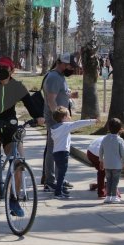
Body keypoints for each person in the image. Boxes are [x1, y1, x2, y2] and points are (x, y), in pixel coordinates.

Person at [0, 56, 44, 216]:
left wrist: (38, 117)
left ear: (12, 70)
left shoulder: (18, 87)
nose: (0, 70)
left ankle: (14, 199)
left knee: (19, 162)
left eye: (4, 68)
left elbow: (30, 105)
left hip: (9, 128)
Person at [42, 52, 79, 192]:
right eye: (70, 66)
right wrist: (58, 118)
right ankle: (50, 181)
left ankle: (59, 178)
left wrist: (70, 95)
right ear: (63, 64)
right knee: (53, 150)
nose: (72, 69)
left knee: (58, 149)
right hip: (55, 120)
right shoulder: (54, 77)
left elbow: (59, 93)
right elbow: (51, 100)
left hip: (59, 120)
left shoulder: (59, 77)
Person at [50, 106, 98, 199]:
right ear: (63, 117)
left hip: (56, 152)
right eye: (68, 115)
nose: (70, 117)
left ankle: (61, 190)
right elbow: (78, 123)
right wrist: (92, 121)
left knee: (61, 173)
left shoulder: (54, 128)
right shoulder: (65, 126)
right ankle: (58, 193)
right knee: (62, 174)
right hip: (63, 153)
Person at [87, 131, 124, 198]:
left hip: (90, 152)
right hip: (97, 154)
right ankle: (102, 192)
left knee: (102, 171)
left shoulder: (110, 137)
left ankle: (97, 186)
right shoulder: (118, 141)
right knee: (106, 172)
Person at [99, 118, 124, 204]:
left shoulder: (105, 138)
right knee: (115, 181)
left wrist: (101, 161)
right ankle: (114, 197)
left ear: (108, 127)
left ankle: (108, 196)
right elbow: (123, 153)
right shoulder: (120, 140)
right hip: (117, 165)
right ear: (120, 129)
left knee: (108, 180)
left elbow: (101, 150)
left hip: (107, 164)